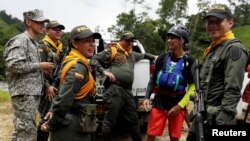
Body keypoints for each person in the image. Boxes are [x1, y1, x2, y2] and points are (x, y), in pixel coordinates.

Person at [186, 4, 248, 141]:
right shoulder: (213, 49)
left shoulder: (233, 50)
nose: (212, 25)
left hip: (218, 120)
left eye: (218, 21)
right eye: (210, 22)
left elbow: (233, 89)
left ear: (230, 22)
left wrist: (222, 122)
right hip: (202, 115)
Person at [90, 31, 155, 141]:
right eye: (128, 40)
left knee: (133, 120)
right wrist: (104, 72)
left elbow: (145, 55)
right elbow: (94, 59)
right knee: (109, 120)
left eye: (132, 41)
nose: (130, 43)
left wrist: (158, 58)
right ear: (121, 40)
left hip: (128, 92)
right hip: (115, 89)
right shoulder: (113, 50)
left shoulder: (132, 54)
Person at [40, 25, 101, 141]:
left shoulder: (74, 62)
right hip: (71, 128)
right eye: (87, 41)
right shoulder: (78, 67)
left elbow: (61, 89)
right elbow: (64, 99)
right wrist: (50, 124)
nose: (92, 44)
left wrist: (52, 109)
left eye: (93, 41)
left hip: (78, 123)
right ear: (75, 44)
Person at [3, 9, 54, 141]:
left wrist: (40, 71)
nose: (43, 24)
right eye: (39, 21)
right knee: (27, 131)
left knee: (21, 131)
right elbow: (13, 65)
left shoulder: (33, 43)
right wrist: (39, 66)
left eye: (44, 22)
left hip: (29, 93)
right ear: (28, 22)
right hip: (24, 93)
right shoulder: (21, 40)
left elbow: (25, 67)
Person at [143, 24, 195, 141]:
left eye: (173, 38)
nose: (169, 40)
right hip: (159, 100)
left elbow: (192, 87)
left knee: (175, 136)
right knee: (151, 133)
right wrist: (147, 97)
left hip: (178, 101)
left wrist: (179, 106)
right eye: (169, 37)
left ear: (182, 40)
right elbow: (153, 79)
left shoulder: (190, 62)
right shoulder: (162, 58)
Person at [36, 20, 65, 140]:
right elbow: (38, 69)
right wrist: (47, 86)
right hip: (45, 88)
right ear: (47, 31)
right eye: (55, 29)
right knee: (46, 117)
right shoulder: (42, 46)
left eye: (60, 29)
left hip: (56, 86)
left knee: (52, 115)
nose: (58, 31)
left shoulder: (60, 47)